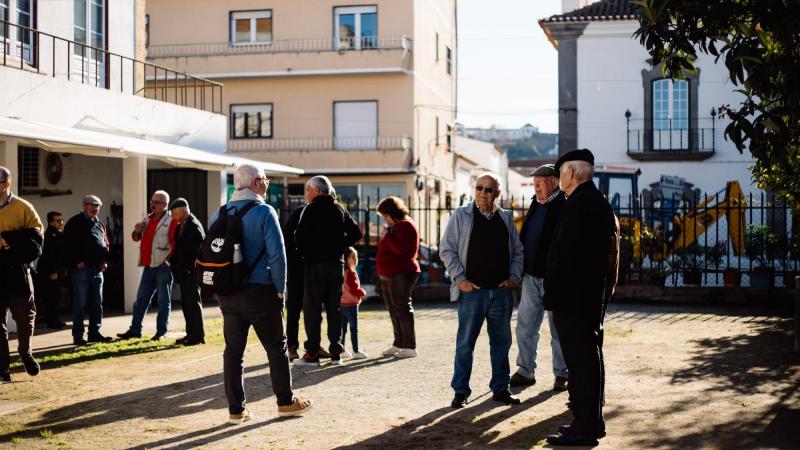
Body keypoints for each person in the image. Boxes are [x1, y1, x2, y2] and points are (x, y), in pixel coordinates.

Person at [210, 164, 312, 423]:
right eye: (265, 180)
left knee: (233, 351)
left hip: (228, 292)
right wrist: (281, 290)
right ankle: (285, 401)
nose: (267, 184)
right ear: (255, 183)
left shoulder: (219, 213)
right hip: (260, 290)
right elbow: (278, 256)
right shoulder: (265, 212)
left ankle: (236, 409)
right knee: (276, 347)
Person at [543, 149, 618, 447]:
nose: (558, 178)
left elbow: (569, 256)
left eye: (560, 172)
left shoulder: (581, 204)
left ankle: (585, 426)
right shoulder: (591, 201)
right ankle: (589, 422)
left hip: (574, 300)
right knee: (587, 360)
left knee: (581, 363)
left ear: (571, 173)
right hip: (583, 298)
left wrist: (554, 289)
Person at [440, 172, 524, 408]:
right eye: (479, 188)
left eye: (489, 189)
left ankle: (500, 389)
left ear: (497, 193)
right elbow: (447, 250)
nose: (483, 193)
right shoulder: (461, 215)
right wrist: (460, 279)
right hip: (472, 293)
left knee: (501, 344)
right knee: (465, 344)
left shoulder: (506, 218)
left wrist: (514, 278)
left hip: (501, 293)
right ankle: (460, 392)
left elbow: (518, 252)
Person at [293, 175, 362, 367]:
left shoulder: (310, 209)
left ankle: (313, 353)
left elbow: (299, 238)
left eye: (308, 190)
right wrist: (340, 245)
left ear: (317, 190)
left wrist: (306, 253)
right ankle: (336, 352)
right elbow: (356, 233)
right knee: (334, 308)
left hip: (315, 265)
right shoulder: (339, 208)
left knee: (312, 309)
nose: (306, 194)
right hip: (335, 264)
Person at [511, 164, 568, 391]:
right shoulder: (536, 204)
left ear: (553, 182)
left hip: (554, 279)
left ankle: (562, 373)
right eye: (534, 184)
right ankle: (525, 371)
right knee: (524, 326)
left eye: (539, 183)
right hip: (531, 276)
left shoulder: (563, 205)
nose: (535, 188)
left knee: (558, 329)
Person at [0, 166, 42, 383]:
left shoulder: (23, 207)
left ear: (6, 184)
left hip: (17, 270)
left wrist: (11, 240)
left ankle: (25, 351)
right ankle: (2, 370)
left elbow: (37, 239)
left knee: (25, 317)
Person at [118, 190, 178, 341]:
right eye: (152, 201)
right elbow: (136, 238)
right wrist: (137, 231)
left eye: (157, 202)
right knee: (141, 300)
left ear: (165, 205)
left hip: (163, 266)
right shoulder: (147, 218)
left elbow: (175, 244)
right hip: (148, 265)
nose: (153, 204)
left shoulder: (171, 220)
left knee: (163, 301)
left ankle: (161, 332)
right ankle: (135, 330)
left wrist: (168, 261)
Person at [64, 195, 113, 345]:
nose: (94, 208)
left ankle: (95, 333)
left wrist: (105, 260)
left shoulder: (99, 223)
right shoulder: (74, 223)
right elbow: (67, 245)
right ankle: (78, 336)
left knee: (97, 303)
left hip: (97, 269)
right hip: (81, 270)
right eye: (92, 205)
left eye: (97, 205)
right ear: (84, 205)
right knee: (80, 304)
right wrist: (76, 261)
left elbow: (105, 243)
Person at [375, 196, 420, 358]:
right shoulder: (396, 226)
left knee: (402, 308)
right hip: (390, 274)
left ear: (393, 213)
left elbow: (399, 249)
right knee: (394, 310)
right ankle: (399, 343)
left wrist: (387, 235)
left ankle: (410, 346)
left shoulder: (405, 225)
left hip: (402, 273)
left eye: (385, 216)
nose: (385, 220)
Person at [167, 198, 206, 346]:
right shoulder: (183, 225)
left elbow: (193, 253)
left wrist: (188, 270)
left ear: (182, 211)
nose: (172, 216)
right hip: (184, 273)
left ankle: (197, 336)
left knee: (193, 304)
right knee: (187, 304)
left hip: (191, 273)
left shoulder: (194, 226)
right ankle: (191, 334)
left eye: (174, 212)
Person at [281, 204, 306, 361]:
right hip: (298, 269)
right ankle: (292, 346)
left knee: (314, 310)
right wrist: (294, 258)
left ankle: (313, 345)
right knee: (295, 309)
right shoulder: (300, 212)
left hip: (311, 267)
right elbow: (286, 237)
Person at [35, 211, 67, 329]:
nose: (61, 222)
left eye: (62, 220)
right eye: (58, 221)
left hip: (56, 269)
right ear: (51, 222)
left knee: (56, 295)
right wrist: (53, 271)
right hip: (48, 271)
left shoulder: (58, 233)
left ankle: (54, 319)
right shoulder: (49, 235)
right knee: (51, 296)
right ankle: (52, 321)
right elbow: (48, 255)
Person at [340, 247, 368, 359]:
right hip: (351, 306)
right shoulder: (351, 273)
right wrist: (363, 293)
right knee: (353, 329)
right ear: (346, 259)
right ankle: (356, 351)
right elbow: (354, 289)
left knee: (343, 330)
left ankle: (341, 349)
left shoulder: (342, 272)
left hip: (342, 305)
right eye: (353, 257)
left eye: (356, 257)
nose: (356, 259)